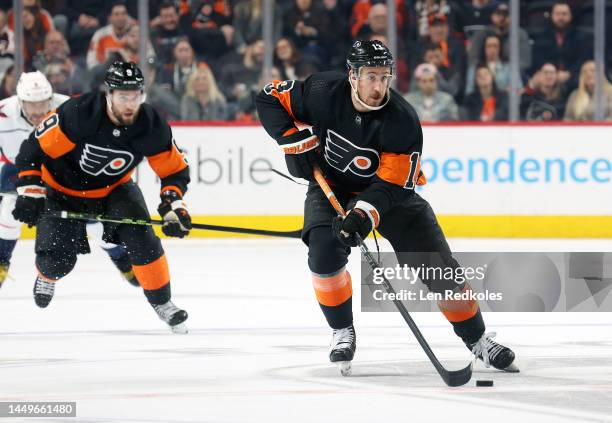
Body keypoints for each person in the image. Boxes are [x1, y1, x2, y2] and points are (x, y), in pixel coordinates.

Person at [255, 40, 518, 374]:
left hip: (392, 198)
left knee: (439, 269)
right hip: (331, 187)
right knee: (322, 256)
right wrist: (293, 140)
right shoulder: (322, 90)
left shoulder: (403, 120)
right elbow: (268, 97)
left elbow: (391, 185)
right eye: (370, 76)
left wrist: (362, 215)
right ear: (352, 75)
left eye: (384, 77)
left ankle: (478, 339)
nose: (378, 87)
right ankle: (342, 330)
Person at [12, 62, 191, 333]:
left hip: (113, 190)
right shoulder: (80, 113)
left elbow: (174, 170)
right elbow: (33, 149)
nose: (130, 103)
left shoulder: (150, 125)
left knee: (142, 238)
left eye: (135, 96)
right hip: (60, 190)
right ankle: (46, 276)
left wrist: (173, 205)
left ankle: (163, 304)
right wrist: (30, 192)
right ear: (108, 94)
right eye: (123, 96)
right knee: (57, 262)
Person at [0, 71, 136, 288]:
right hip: (19, 169)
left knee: (93, 219)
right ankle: (1, 260)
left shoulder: (69, 107)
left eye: (43, 103)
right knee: (9, 210)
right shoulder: (3, 114)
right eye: (31, 104)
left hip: (62, 172)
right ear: (19, 101)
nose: (37, 111)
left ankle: (122, 258)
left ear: (51, 98)